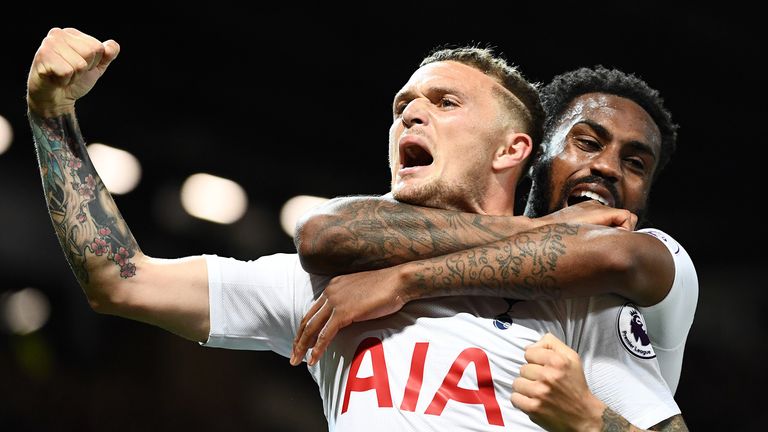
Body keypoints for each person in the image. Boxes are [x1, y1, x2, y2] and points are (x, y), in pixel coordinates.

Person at [27, 27, 684, 431]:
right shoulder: (331, 282)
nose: (410, 117)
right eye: (403, 107)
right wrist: (50, 113)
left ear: (511, 150)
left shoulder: (577, 297)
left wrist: (592, 424)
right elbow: (120, 279)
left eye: (444, 103)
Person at [288, 65, 697, 427]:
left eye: (635, 164)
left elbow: (613, 255)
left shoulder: (626, 282)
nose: (608, 167)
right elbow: (325, 233)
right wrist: (541, 226)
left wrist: (403, 280)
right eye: (588, 143)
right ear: (535, 156)